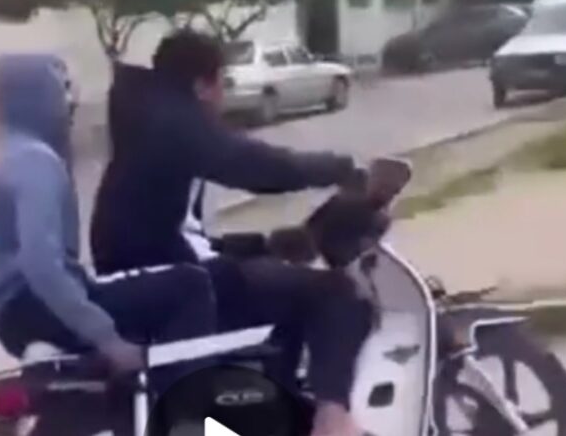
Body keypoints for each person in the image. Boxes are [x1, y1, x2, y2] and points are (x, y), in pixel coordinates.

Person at [90, 31, 374, 436]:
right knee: (338, 293)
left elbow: (173, 230)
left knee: (279, 290)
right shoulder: (176, 120)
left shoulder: (147, 115)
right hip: (180, 286)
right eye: (222, 83)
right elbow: (254, 165)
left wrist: (262, 244)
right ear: (203, 85)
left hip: (151, 271)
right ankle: (333, 421)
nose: (223, 97)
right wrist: (338, 169)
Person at [0, 53, 216, 394]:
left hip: (11, 317)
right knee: (190, 285)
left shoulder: (9, 154)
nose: (71, 104)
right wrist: (106, 336)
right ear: (38, 97)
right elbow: (42, 265)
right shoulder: (35, 163)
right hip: (35, 306)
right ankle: (183, 410)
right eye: (62, 90)